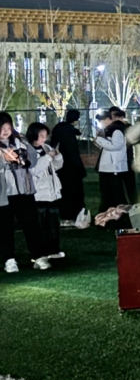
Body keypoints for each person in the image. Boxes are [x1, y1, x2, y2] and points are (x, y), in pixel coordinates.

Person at [0, 112, 49, 272]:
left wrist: (23, 157)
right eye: (1, 128)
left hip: (24, 190)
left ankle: (38, 256)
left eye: (8, 127)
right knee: (5, 227)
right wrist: (4, 160)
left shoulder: (20, 141)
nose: (5, 131)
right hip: (4, 193)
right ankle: (9, 259)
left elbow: (32, 160)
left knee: (31, 224)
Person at [28, 123, 65, 261]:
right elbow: (35, 170)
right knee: (41, 225)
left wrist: (57, 156)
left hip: (52, 192)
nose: (44, 138)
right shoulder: (29, 151)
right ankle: (41, 252)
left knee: (53, 224)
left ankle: (54, 249)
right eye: (41, 135)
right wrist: (48, 157)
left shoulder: (46, 148)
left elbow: (56, 166)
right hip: (39, 194)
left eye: (45, 135)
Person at [49, 109, 86, 225]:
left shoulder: (59, 128)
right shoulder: (69, 132)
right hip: (72, 167)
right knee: (74, 192)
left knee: (63, 191)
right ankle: (73, 215)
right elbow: (73, 152)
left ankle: (64, 214)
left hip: (60, 166)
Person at [95, 110, 129, 214]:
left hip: (113, 168)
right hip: (110, 167)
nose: (101, 124)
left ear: (107, 119)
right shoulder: (112, 130)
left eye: (101, 122)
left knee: (115, 194)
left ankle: (120, 214)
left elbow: (115, 146)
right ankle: (109, 214)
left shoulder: (116, 131)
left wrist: (99, 139)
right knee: (109, 193)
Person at [109, 107, 137, 204]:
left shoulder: (123, 128)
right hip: (122, 161)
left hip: (125, 160)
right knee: (123, 187)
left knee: (128, 186)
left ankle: (130, 204)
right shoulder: (126, 128)